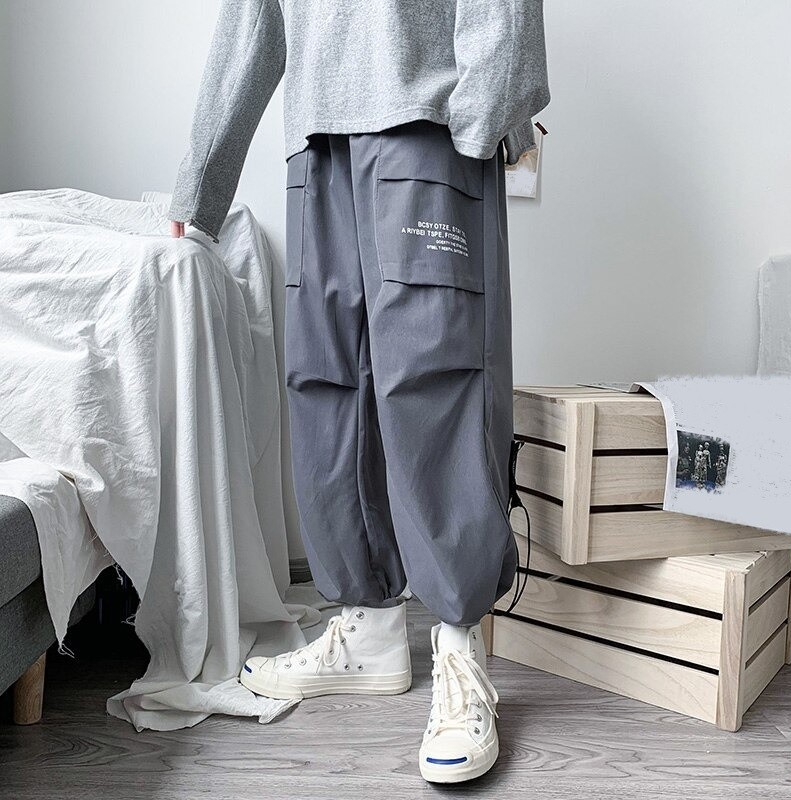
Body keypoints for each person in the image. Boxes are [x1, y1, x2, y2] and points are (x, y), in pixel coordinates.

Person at [169, 0, 549, 783]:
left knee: (434, 377)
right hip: (315, 136)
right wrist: (202, 183)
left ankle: (459, 642)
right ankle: (369, 629)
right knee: (326, 379)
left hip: (426, 116)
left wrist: (480, 115)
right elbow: (254, 17)